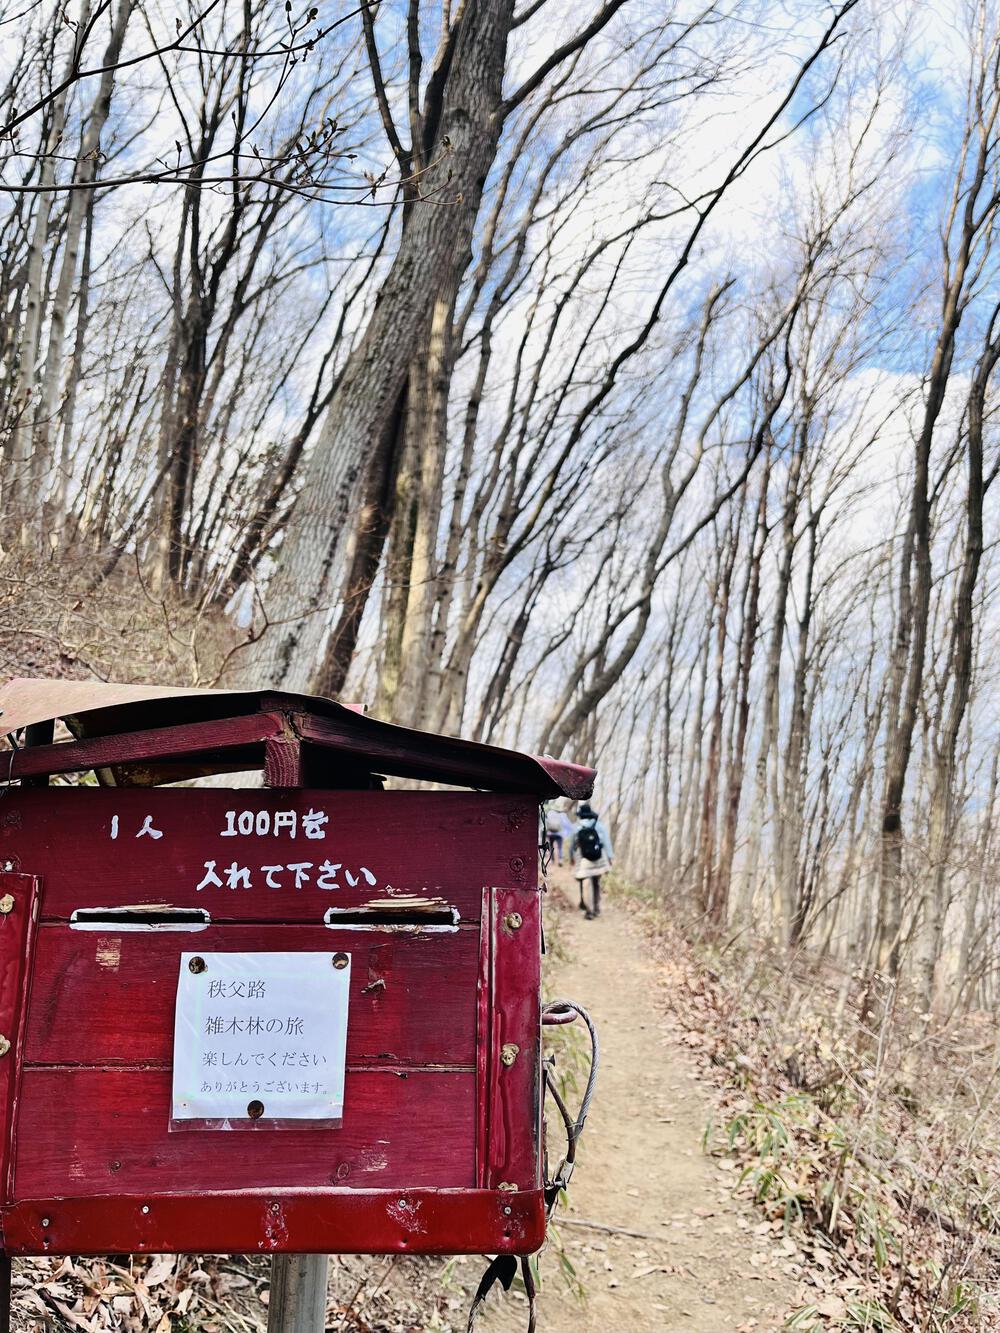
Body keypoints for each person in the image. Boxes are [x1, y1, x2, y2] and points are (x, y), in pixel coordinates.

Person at [570, 803, 614, 919]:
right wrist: (610, 857)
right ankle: (597, 908)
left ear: (581, 815)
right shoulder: (599, 826)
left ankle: (589, 911)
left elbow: (573, 845)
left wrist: (571, 858)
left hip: (583, 860)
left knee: (585, 884)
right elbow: (606, 842)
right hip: (598, 858)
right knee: (596, 883)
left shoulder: (577, 827)